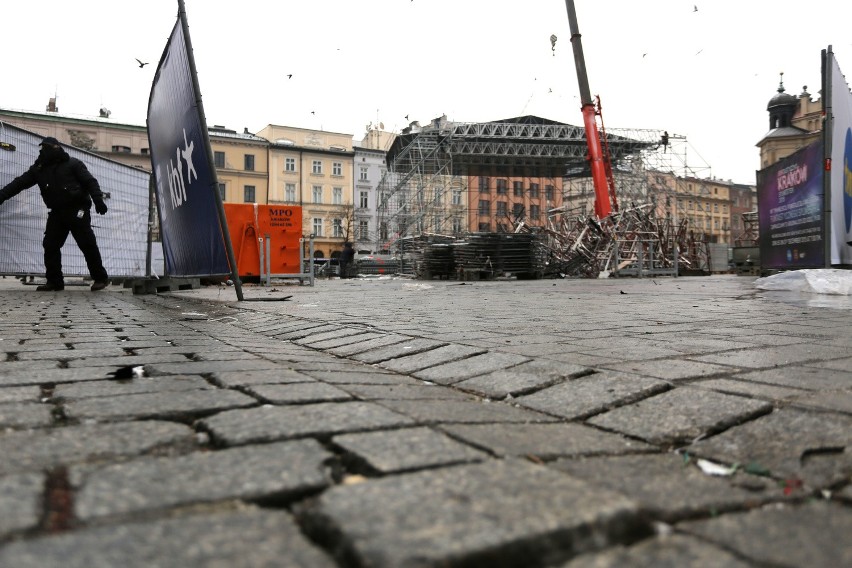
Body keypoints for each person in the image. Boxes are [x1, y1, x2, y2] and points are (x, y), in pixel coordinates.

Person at [0, 137, 109, 291]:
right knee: (50, 245)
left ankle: (100, 278)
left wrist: (98, 200)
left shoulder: (73, 164)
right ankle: (54, 282)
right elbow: (19, 183)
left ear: (56, 148)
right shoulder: (39, 169)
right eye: (42, 148)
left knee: (87, 244)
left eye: (47, 148)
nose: (44, 151)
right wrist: (2, 195)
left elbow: (90, 182)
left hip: (78, 210)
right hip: (57, 212)